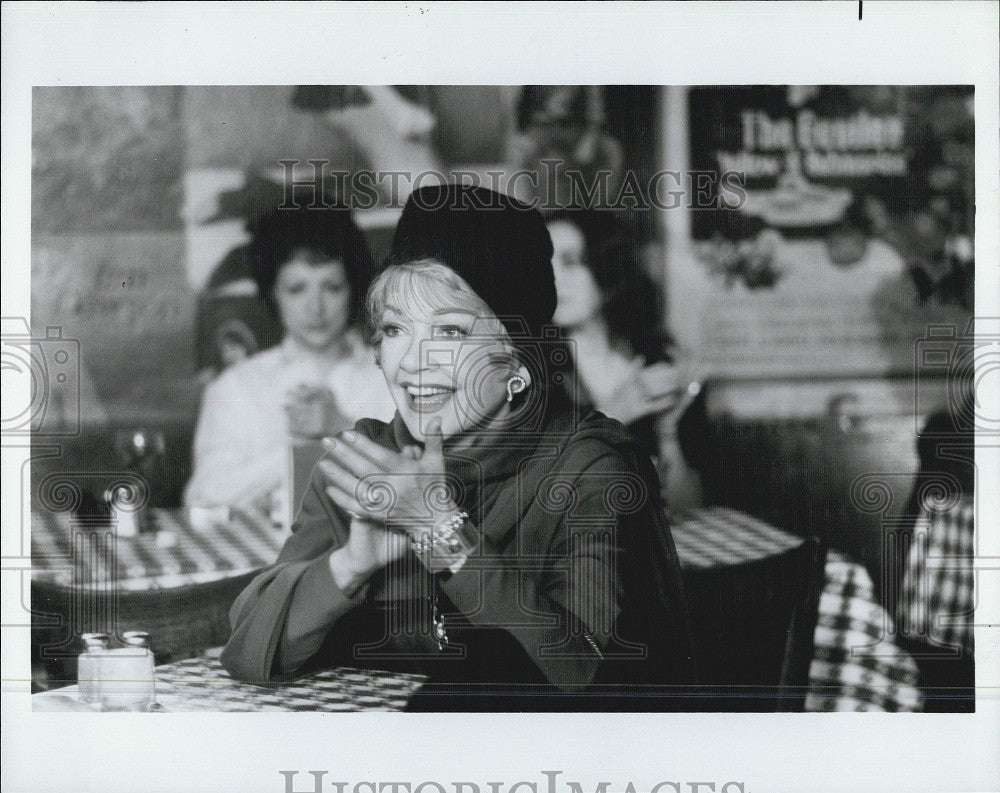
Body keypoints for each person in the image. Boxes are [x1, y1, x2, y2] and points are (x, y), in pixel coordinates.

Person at [220, 184, 696, 710]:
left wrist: (439, 531)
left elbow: (581, 671)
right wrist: (351, 564)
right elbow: (247, 651)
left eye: (449, 330)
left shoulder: (590, 468)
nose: (414, 361)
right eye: (396, 328)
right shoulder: (366, 461)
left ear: (517, 359)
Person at [184, 205, 396, 511]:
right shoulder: (237, 387)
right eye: (296, 289)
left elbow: (421, 491)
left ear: (354, 288)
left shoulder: (391, 377)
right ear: (273, 294)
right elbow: (204, 496)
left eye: (332, 287)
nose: (315, 307)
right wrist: (302, 449)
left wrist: (344, 431)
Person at [545, 208, 708, 513]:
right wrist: (613, 413)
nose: (551, 278)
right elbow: (539, 496)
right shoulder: (527, 367)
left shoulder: (655, 354)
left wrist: (668, 430)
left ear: (606, 267)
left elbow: (690, 507)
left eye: (569, 262)